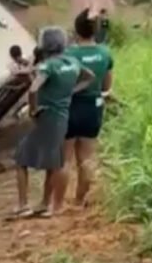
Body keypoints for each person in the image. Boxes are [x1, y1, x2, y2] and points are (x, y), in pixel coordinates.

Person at [11, 26, 95, 219]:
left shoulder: (48, 66)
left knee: (21, 159)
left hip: (46, 116)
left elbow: (34, 89)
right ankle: (44, 203)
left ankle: (23, 205)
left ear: (44, 45)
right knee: (53, 160)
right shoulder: (72, 62)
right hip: (62, 116)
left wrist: (33, 110)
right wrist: (71, 91)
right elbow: (90, 77)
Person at [62, 9, 114, 207]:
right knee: (86, 158)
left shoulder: (68, 54)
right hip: (93, 109)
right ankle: (80, 201)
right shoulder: (105, 53)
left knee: (64, 160)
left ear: (76, 30)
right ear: (96, 30)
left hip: (69, 108)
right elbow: (107, 88)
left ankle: (58, 202)